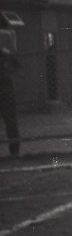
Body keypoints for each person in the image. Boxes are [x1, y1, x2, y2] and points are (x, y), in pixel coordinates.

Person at [0, 15, 21, 157]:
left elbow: (15, 59)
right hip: (6, 79)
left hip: (5, 80)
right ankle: (14, 149)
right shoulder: (7, 35)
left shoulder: (6, 35)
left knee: (10, 117)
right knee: (10, 117)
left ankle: (14, 148)